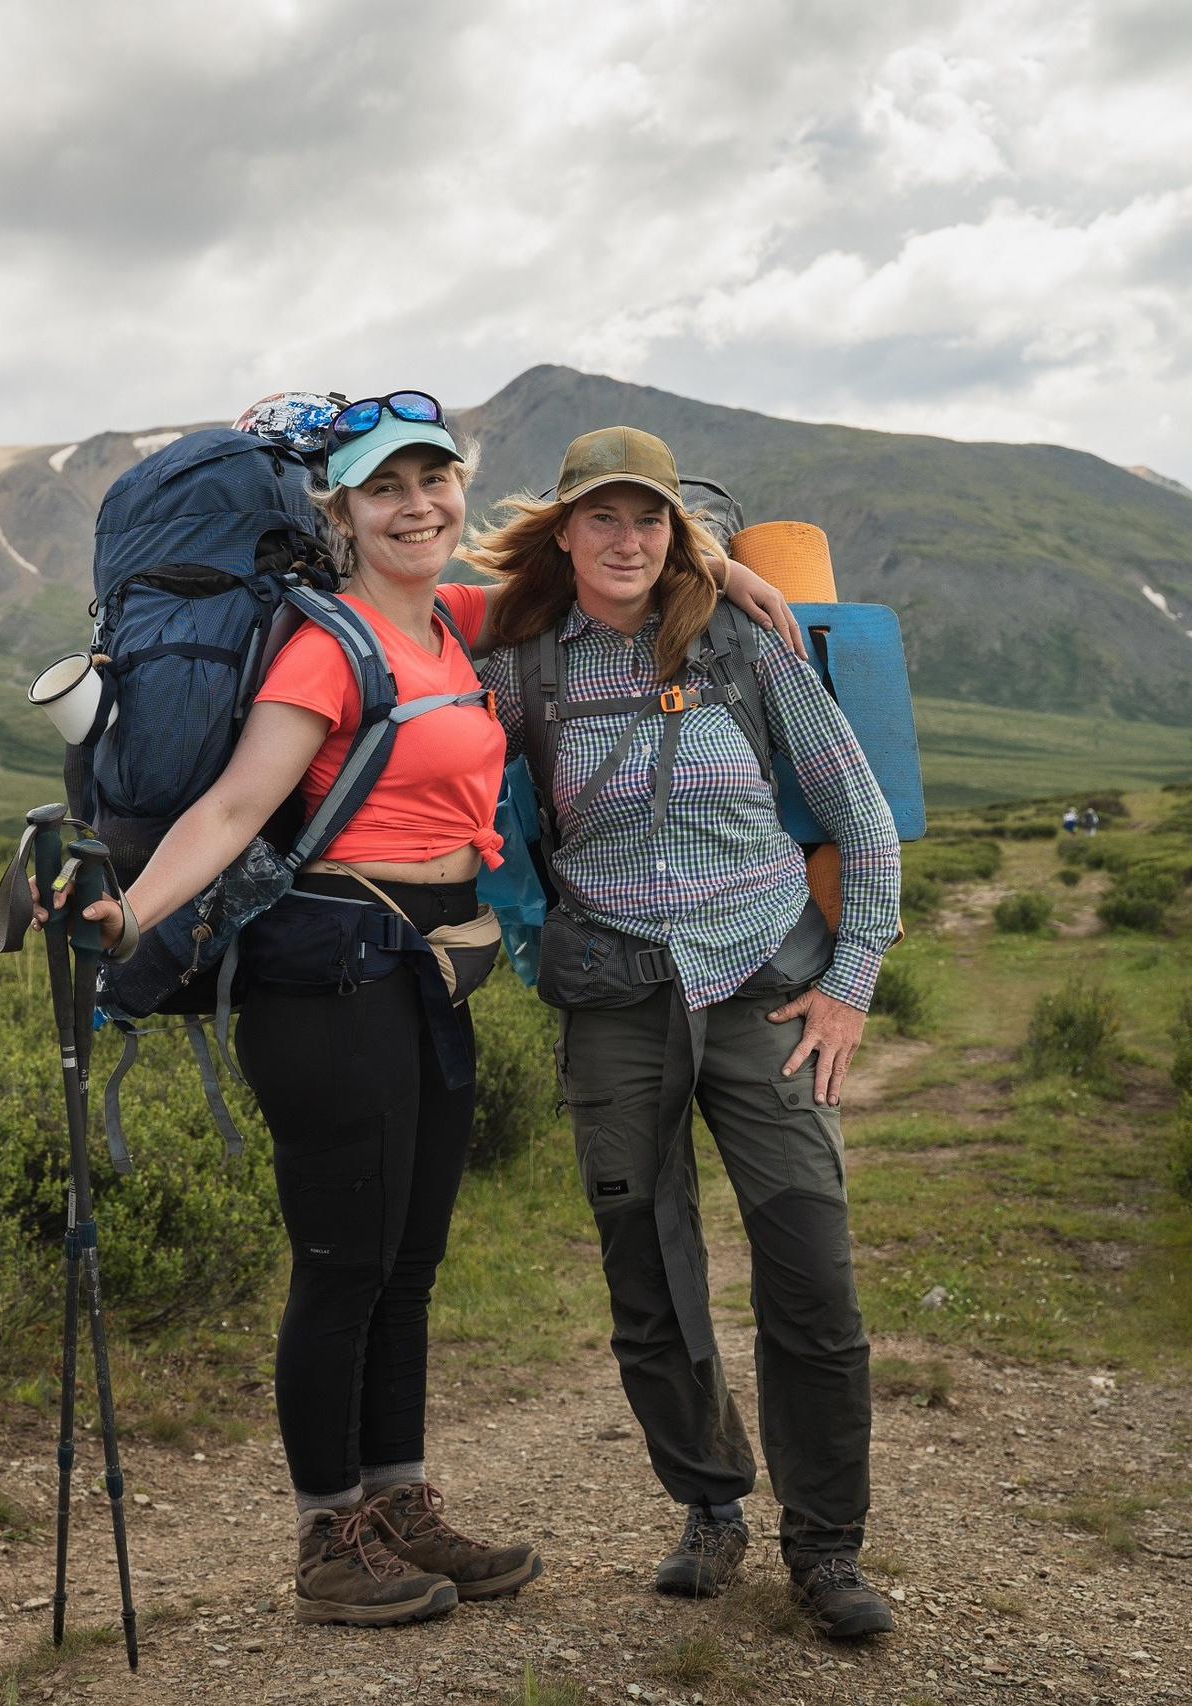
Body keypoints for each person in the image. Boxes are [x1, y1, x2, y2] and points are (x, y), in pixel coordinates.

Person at [50, 395, 804, 1628]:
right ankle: (326, 1531)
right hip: (328, 974)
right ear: (339, 514)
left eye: (433, 483)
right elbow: (238, 807)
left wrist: (715, 562)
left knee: (409, 1267)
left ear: (460, 495)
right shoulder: (323, 643)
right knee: (342, 1265)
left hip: (429, 972)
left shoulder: (464, 621)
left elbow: (601, 576)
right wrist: (132, 916)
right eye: (384, 490)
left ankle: (397, 1501)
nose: (417, 508)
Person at [464, 427, 904, 1640]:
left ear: (675, 530)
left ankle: (825, 1546)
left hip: (767, 983)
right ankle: (711, 1504)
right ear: (563, 531)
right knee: (647, 1279)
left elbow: (863, 815)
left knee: (810, 1270)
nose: (625, 540)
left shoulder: (747, 650)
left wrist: (851, 976)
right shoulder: (520, 670)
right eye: (600, 518)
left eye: (646, 518)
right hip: (616, 996)